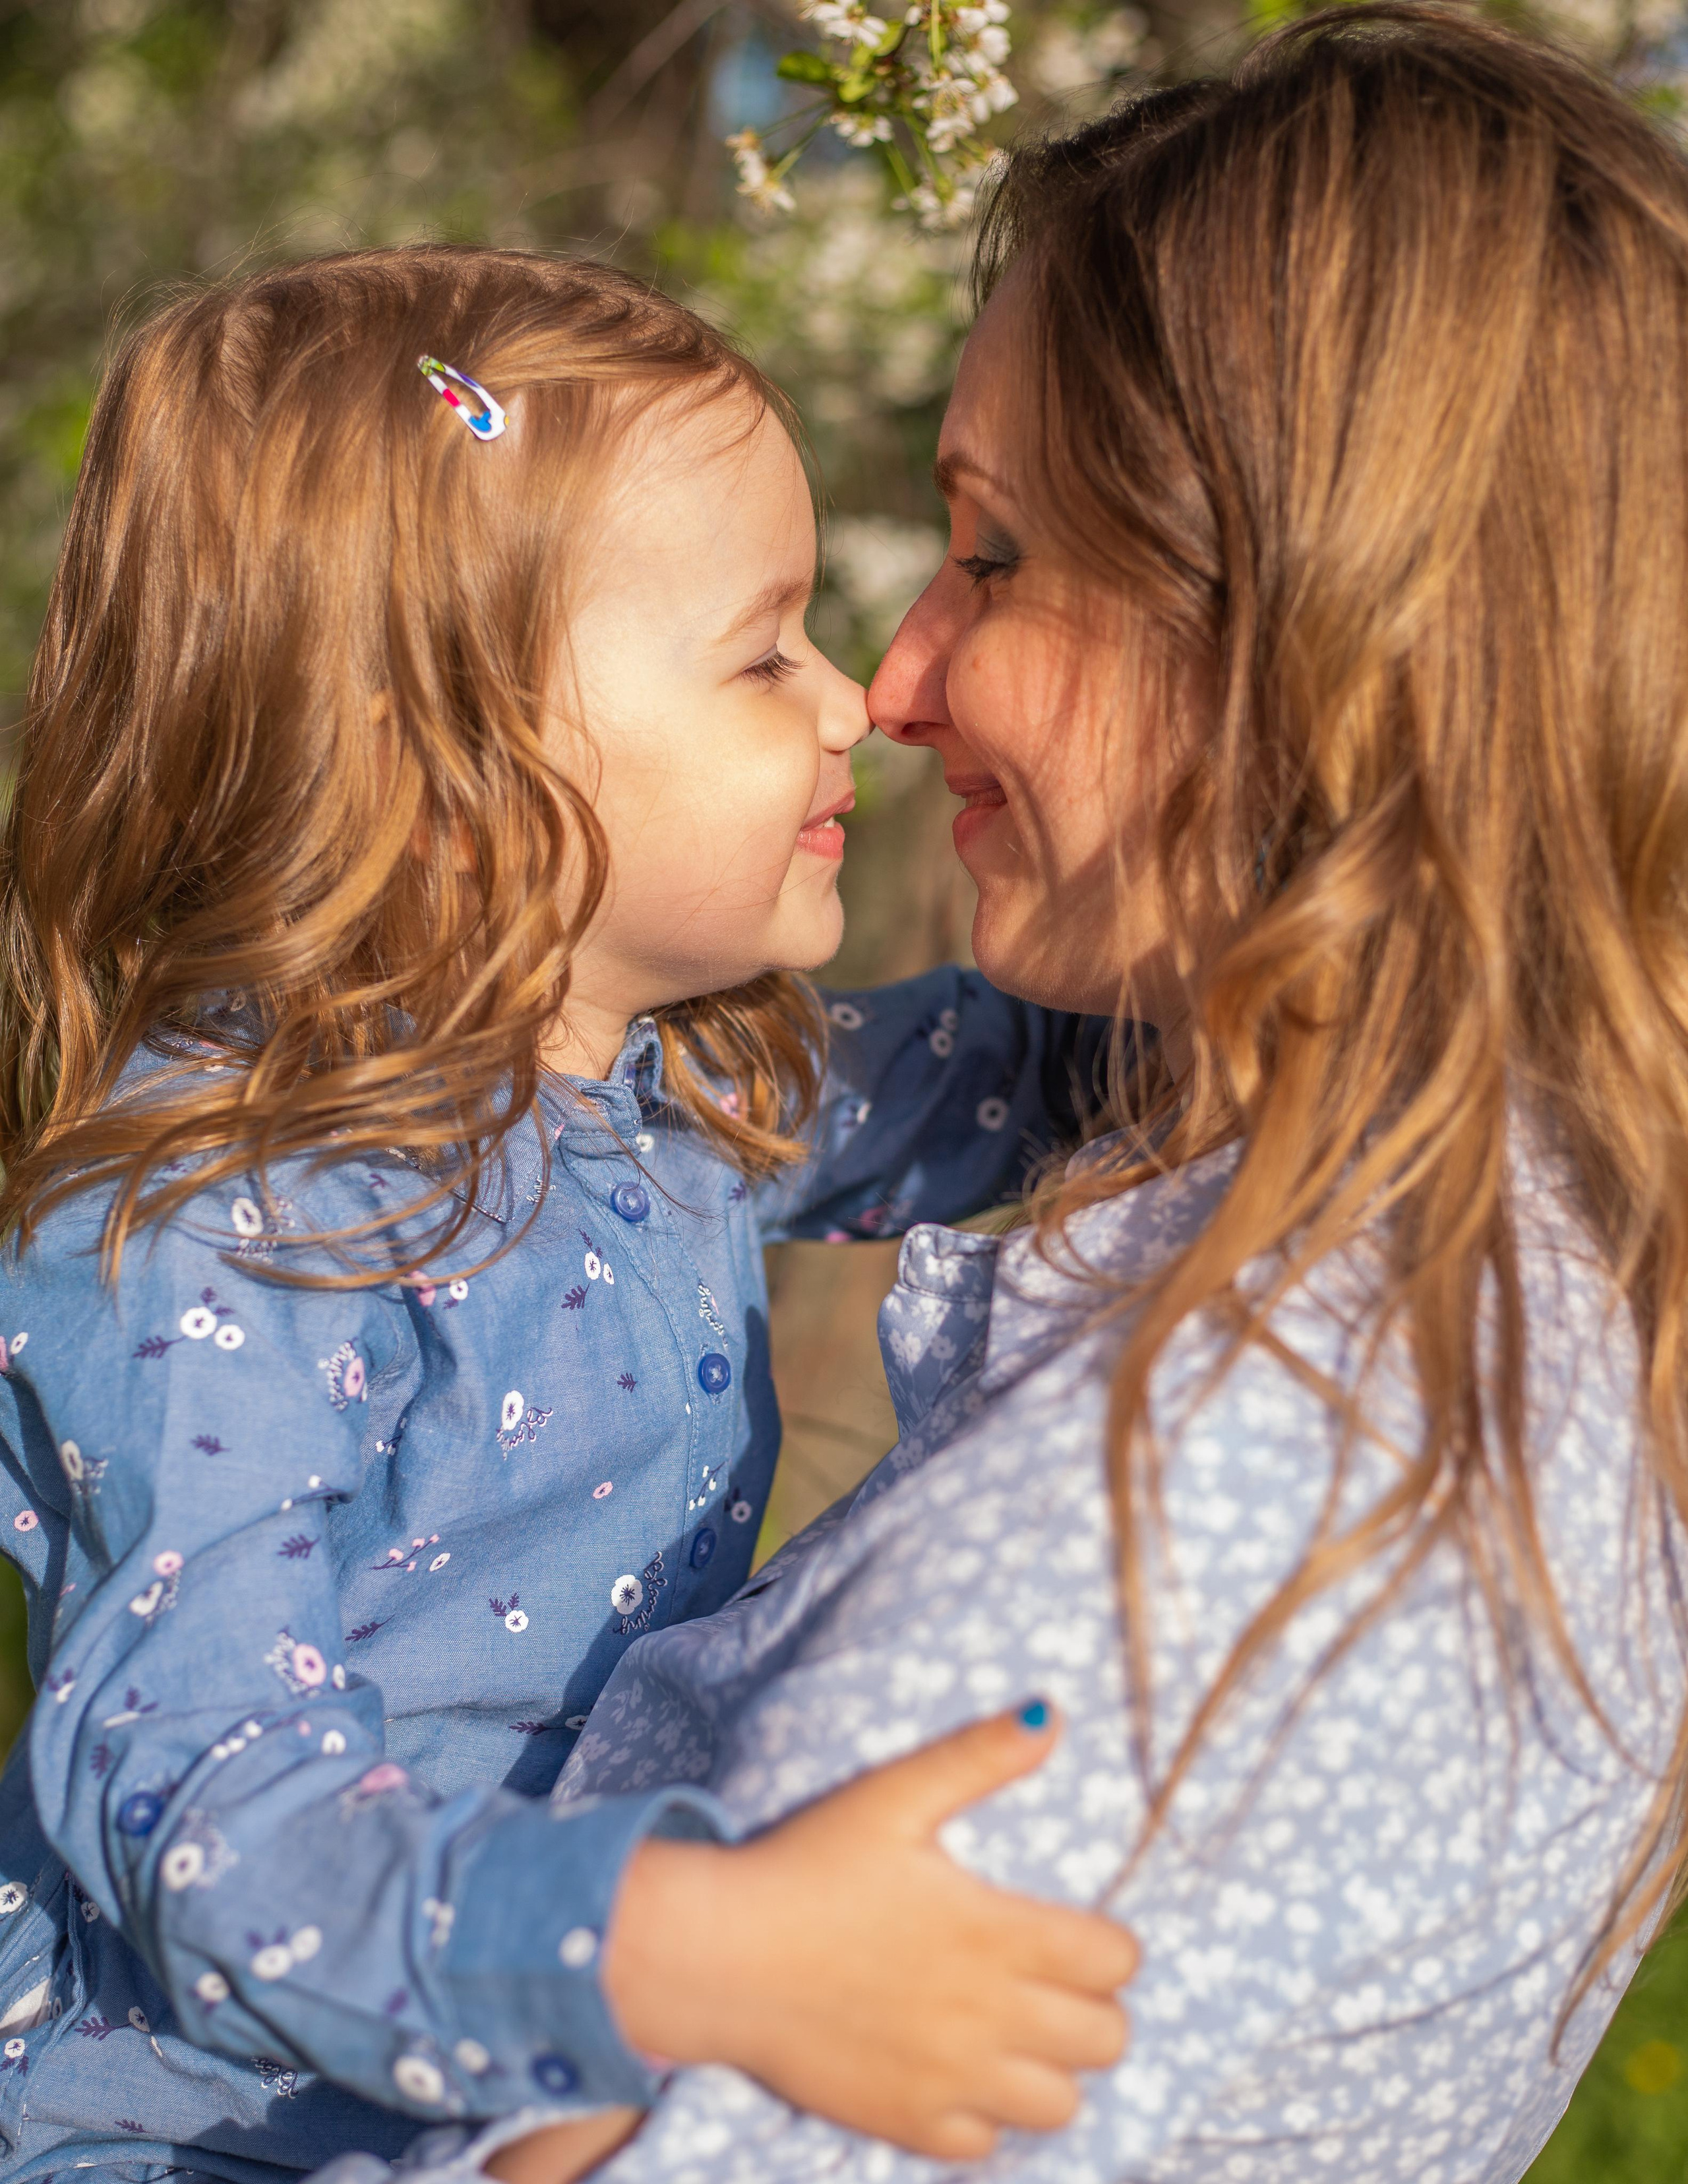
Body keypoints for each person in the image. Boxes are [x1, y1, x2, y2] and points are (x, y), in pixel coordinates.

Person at [334, 9, 1688, 2180]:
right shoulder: (1464, 1315)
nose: (893, 687)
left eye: (996, 554)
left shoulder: (1219, 1507)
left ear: (1319, 628)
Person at [0, 249, 1141, 2181]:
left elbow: (1032, 1085)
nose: (855, 699)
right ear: (448, 774)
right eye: (762, 650)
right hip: (198, 2137)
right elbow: (210, 1812)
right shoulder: (210, 1227)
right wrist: (681, 1944)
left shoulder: (678, 1083)